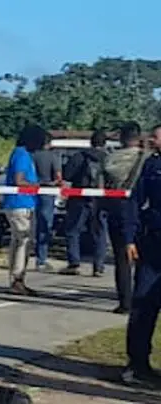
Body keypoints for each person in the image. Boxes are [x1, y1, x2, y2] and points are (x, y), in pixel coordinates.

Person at [119, 124, 161, 385]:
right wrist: (129, 238)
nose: (152, 140)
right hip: (153, 245)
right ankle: (137, 364)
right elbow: (135, 202)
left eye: (156, 137)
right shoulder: (151, 166)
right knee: (143, 306)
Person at [102, 121, 148, 314]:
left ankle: (125, 302)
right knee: (146, 259)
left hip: (118, 209)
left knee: (122, 258)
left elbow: (106, 176)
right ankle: (144, 298)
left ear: (122, 137)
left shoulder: (111, 159)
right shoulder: (148, 158)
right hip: (145, 210)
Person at [1, 124, 49, 296]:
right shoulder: (22, 155)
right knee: (23, 241)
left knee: (19, 241)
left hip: (23, 203)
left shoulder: (22, 153)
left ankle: (17, 277)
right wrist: (39, 185)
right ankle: (17, 279)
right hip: (20, 203)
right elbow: (19, 180)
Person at [60, 130, 108, 277]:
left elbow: (67, 175)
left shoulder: (79, 156)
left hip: (79, 198)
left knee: (73, 230)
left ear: (91, 142)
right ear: (104, 143)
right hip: (100, 199)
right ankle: (98, 266)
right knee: (100, 233)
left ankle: (74, 263)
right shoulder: (108, 158)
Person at [31, 133, 63, 272]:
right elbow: (58, 177)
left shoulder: (31, 156)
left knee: (29, 225)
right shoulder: (53, 157)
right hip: (47, 192)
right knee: (44, 225)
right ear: (49, 143)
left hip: (30, 191)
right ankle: (41, 259)